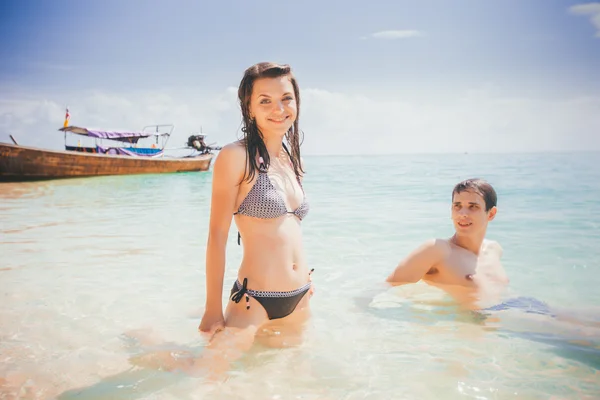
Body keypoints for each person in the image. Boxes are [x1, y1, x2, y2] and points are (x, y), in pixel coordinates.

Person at [197, 62, 314, 372]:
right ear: (249, 108)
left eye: (286, 98)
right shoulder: (236, 157)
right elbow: (217, 237)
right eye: (265, 100)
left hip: (301, 296)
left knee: (285, 381)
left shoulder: (290, 158)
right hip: (255, 300)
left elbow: (289, 229)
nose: (279, 108)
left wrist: (306, 278)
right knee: (204, 378)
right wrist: (212, 309)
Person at [386, 178, 511, 311]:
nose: (462, 214)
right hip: (474, 322)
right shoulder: (438, 250)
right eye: (457, 206)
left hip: (508, 309)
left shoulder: (494, 249)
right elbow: (385, 287)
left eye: (473, 207)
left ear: (491, 214)